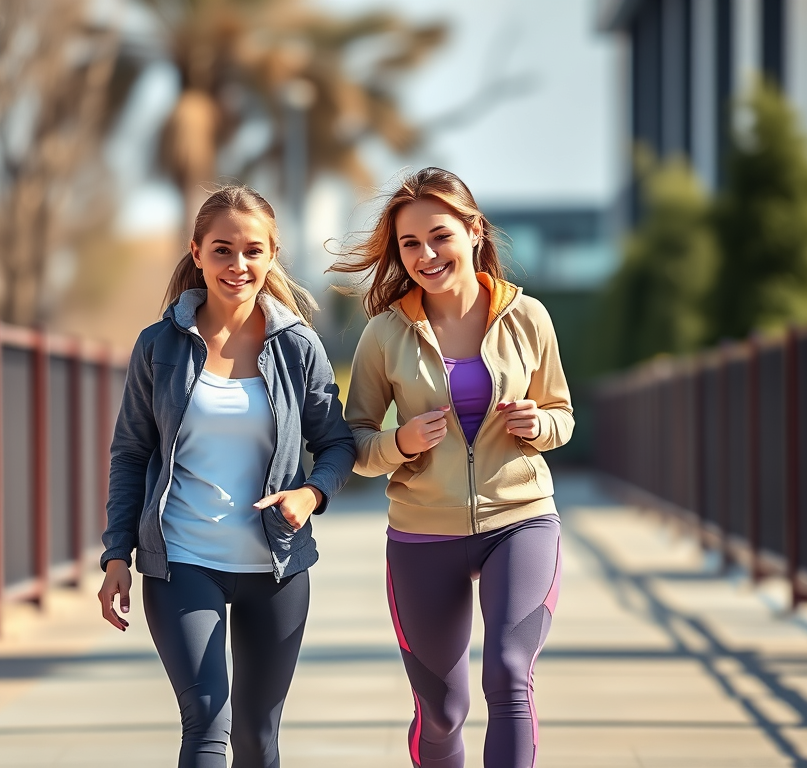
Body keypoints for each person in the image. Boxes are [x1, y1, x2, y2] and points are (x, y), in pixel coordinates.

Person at [98, 185, 356, 768]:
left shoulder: (298, 347)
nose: (237, 265)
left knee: (258, 738)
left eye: (252, 251)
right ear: (196, 252)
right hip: (183, 561)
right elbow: (131, 453)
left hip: (276, 567)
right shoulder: (159, 346)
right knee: (207, 720)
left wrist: (311, 493)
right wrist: (117, 554)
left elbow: (337, 443)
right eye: (222, 250)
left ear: (272, 255)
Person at [329, 167, 573, 768]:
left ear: (474, 231)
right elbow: (354, 442)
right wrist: (401, 441)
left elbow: (562, 414)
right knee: (442, 711)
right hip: (423, 532)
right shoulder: (385, 334)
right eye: (410, 243)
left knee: (509, 674)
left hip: (519, 519)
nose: (426, 255)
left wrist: (538, 425)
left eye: (440, 236)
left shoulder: (528, 317)